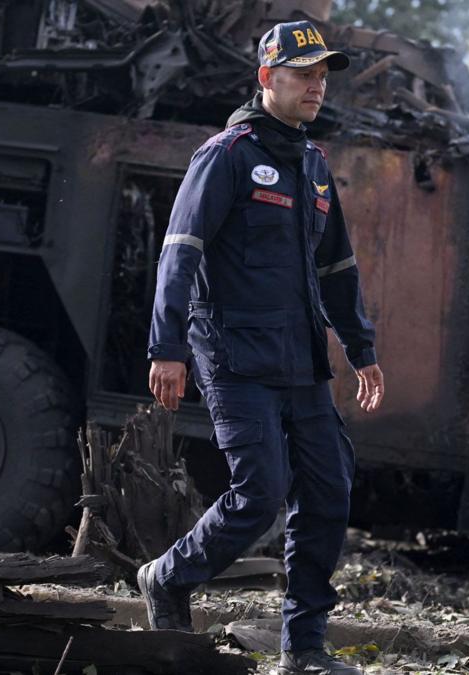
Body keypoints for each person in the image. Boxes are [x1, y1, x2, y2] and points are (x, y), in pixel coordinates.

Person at [140, 19, 385, 675]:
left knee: (329, 489)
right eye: (304, 75)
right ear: (267, 78)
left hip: (300, 358)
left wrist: (361, 347)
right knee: (260, 494)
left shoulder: (312, 166)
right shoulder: (226, 155)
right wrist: (168, 348)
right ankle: (168, 576)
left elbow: (338, 268)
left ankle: (303, 648)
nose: (317, 87)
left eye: (323, 75)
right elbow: (180, 254)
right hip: (234, 356)